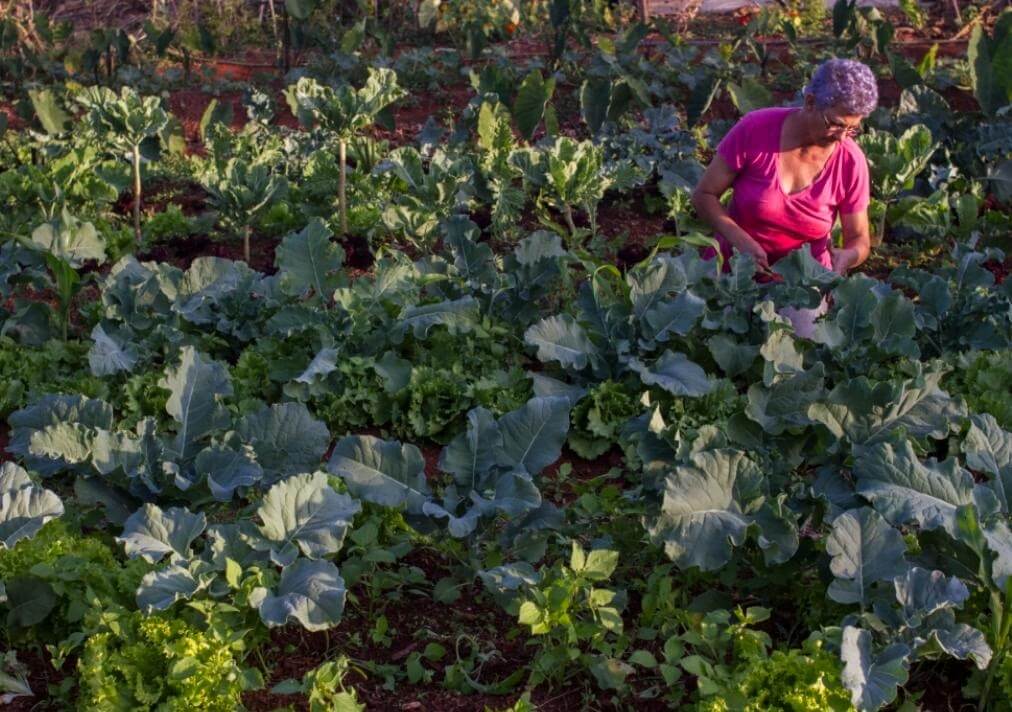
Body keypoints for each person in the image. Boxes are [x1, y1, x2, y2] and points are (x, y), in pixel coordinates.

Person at [691, 58, 877, 335]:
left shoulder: (851, 161)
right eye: (836, 124)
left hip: (800, 285)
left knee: (793, 353)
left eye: (852, 129)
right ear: (811, 101)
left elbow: (859, 238)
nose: (841, 137)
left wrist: (847, 257)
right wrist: (740, 240)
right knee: (700, 334)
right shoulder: (756, 129)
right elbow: (704, 195)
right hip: (732, 266)